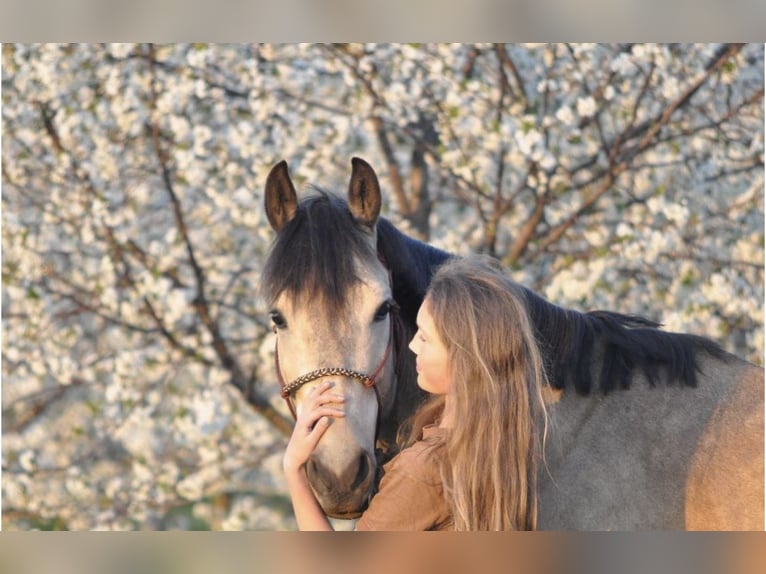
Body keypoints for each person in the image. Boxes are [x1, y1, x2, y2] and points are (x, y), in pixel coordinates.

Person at [283, 255, 550, 530]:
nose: (412, 346)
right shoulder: (507, 442)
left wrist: (294, 470)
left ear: (462, 357)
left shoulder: (423, 472)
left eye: (424, 337)